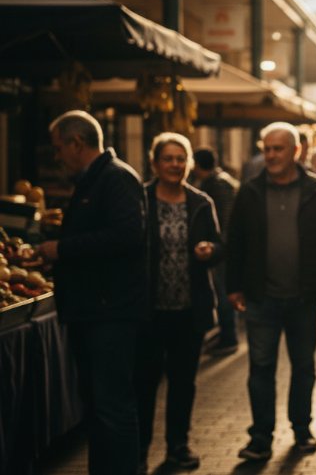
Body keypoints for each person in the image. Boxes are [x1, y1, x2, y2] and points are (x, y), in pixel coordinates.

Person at [226, 121, 316, 461]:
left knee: (303, 367)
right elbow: (234, 241)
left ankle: (300, 429)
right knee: (261, 368)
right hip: (260, 297)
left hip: (303, 297)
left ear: (297, 151)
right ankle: (261, 438)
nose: (270, 155)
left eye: (278, 149)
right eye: (266, 148)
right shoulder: (250, 191)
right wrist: (233, 286)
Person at [38, 110, 147, 475]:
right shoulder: (95, 180)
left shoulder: (115, 180)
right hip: (95, 311)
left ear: (76, 143)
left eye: (58, 148)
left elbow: (127, 236)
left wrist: (63, 250)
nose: (57, 157)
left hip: (110, 313)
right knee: (101, 408)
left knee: (113, 407)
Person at [137, 133, 222, 473]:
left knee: (183, 383)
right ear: (154, 163)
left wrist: (210, 250)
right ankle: (139, 450)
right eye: (168, 158)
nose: (175, 165)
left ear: (188, 163)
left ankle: (177, 446)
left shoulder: (201, 201)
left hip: (189, 309)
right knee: (143, 384)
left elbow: (219, 244)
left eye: (180, 158)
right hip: (148, 311)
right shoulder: (140, 199)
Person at [192, 147, 240, 356]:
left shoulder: (218, 184)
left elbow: (227, 220)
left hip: (224, 250)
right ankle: (225, 335)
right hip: (224, 248)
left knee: (223, 293)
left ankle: (229, 337)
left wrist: (221, 247)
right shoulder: (222, 181)